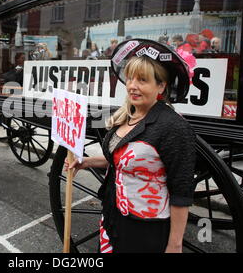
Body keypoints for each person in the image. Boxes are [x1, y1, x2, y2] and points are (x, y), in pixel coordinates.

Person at [65, 40, 196, 253]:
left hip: (145, 230)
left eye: (142, 80)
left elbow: (181, 191)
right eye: (130, 78)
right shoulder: (128, 115)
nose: (132, 86)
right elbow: (120, 158)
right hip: (112, 218)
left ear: (161, 86)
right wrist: (85, 162)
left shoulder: (173, 127)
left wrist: (175, 244)